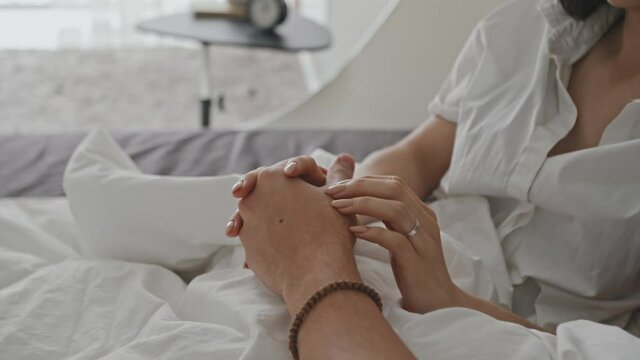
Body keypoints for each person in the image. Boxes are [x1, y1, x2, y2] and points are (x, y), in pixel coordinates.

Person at [226, 0, 640, 358]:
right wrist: (342, 201)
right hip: (394, 249)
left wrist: (451, 299)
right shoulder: (524, 27)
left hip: (502, 332)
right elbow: (420, 154)